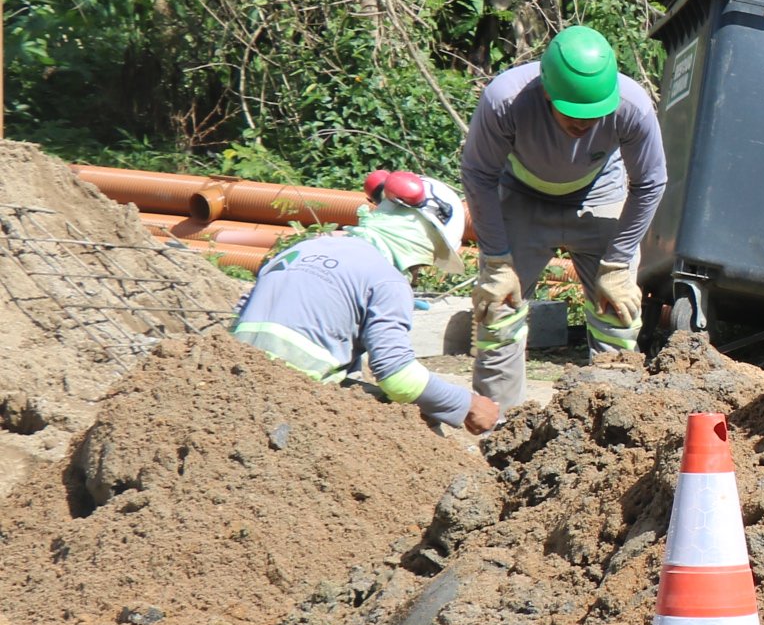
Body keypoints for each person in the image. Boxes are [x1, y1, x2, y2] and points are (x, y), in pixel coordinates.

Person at [462, 24, 668, 406]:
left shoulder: (633, 106)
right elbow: (479, 174)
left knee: (618, 312)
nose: (584, 124)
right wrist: (496, 261)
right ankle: (497, 426)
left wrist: (618, 265)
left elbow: (651, 183)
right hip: (522, 197)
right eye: (573, 114)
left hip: (600, 195)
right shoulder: (506, 100)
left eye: (594, 114)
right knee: (498, 309)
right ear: (547, 92)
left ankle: (609, 428)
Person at [230, 171, 502, 433]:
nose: (419, 271)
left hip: (234, 383)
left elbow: (241, 313)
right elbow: (397, 376)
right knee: (417, 417)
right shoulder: (387, 279)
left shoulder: (303, 248)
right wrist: (468, 404)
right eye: (428, 259)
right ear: (423, 238)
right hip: (292, 400)